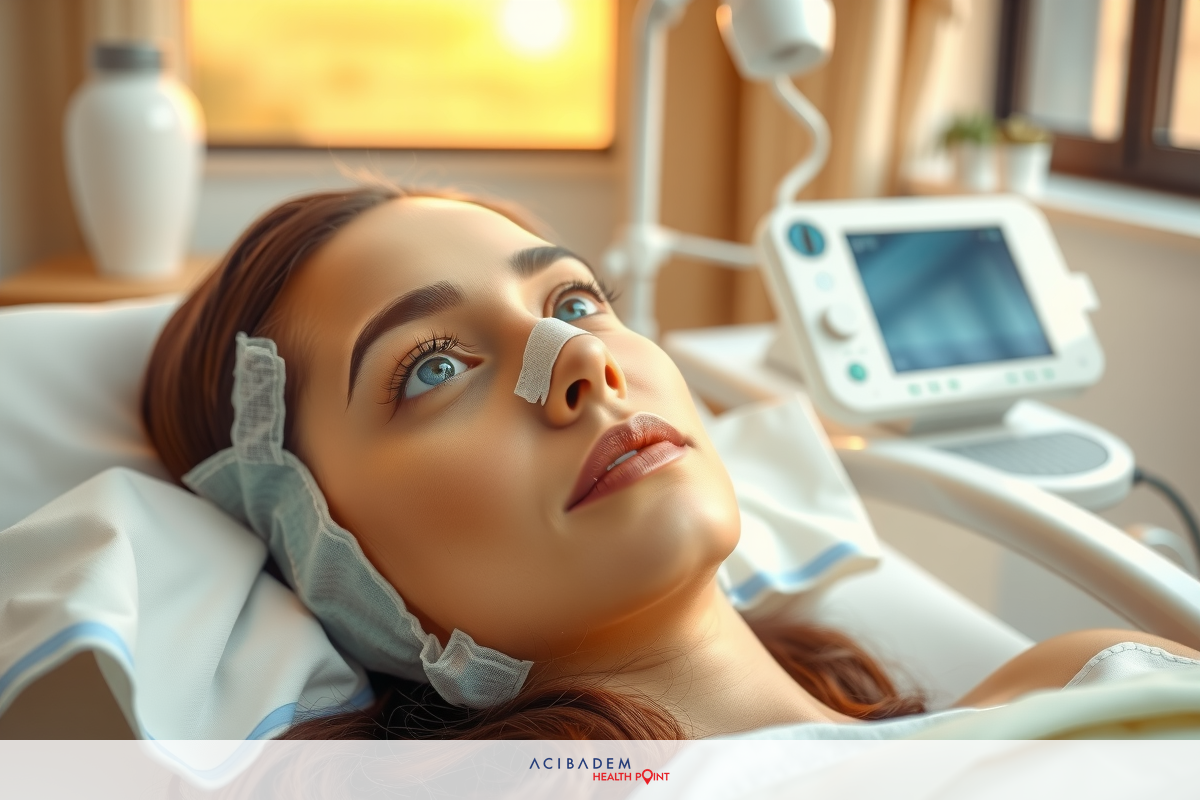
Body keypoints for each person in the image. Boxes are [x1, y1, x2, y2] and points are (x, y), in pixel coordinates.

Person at [142, 185, 1200, 739]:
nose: (585, 363)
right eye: (431, 367)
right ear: (319, 554)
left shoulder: (1088, 674)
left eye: (572, 301)